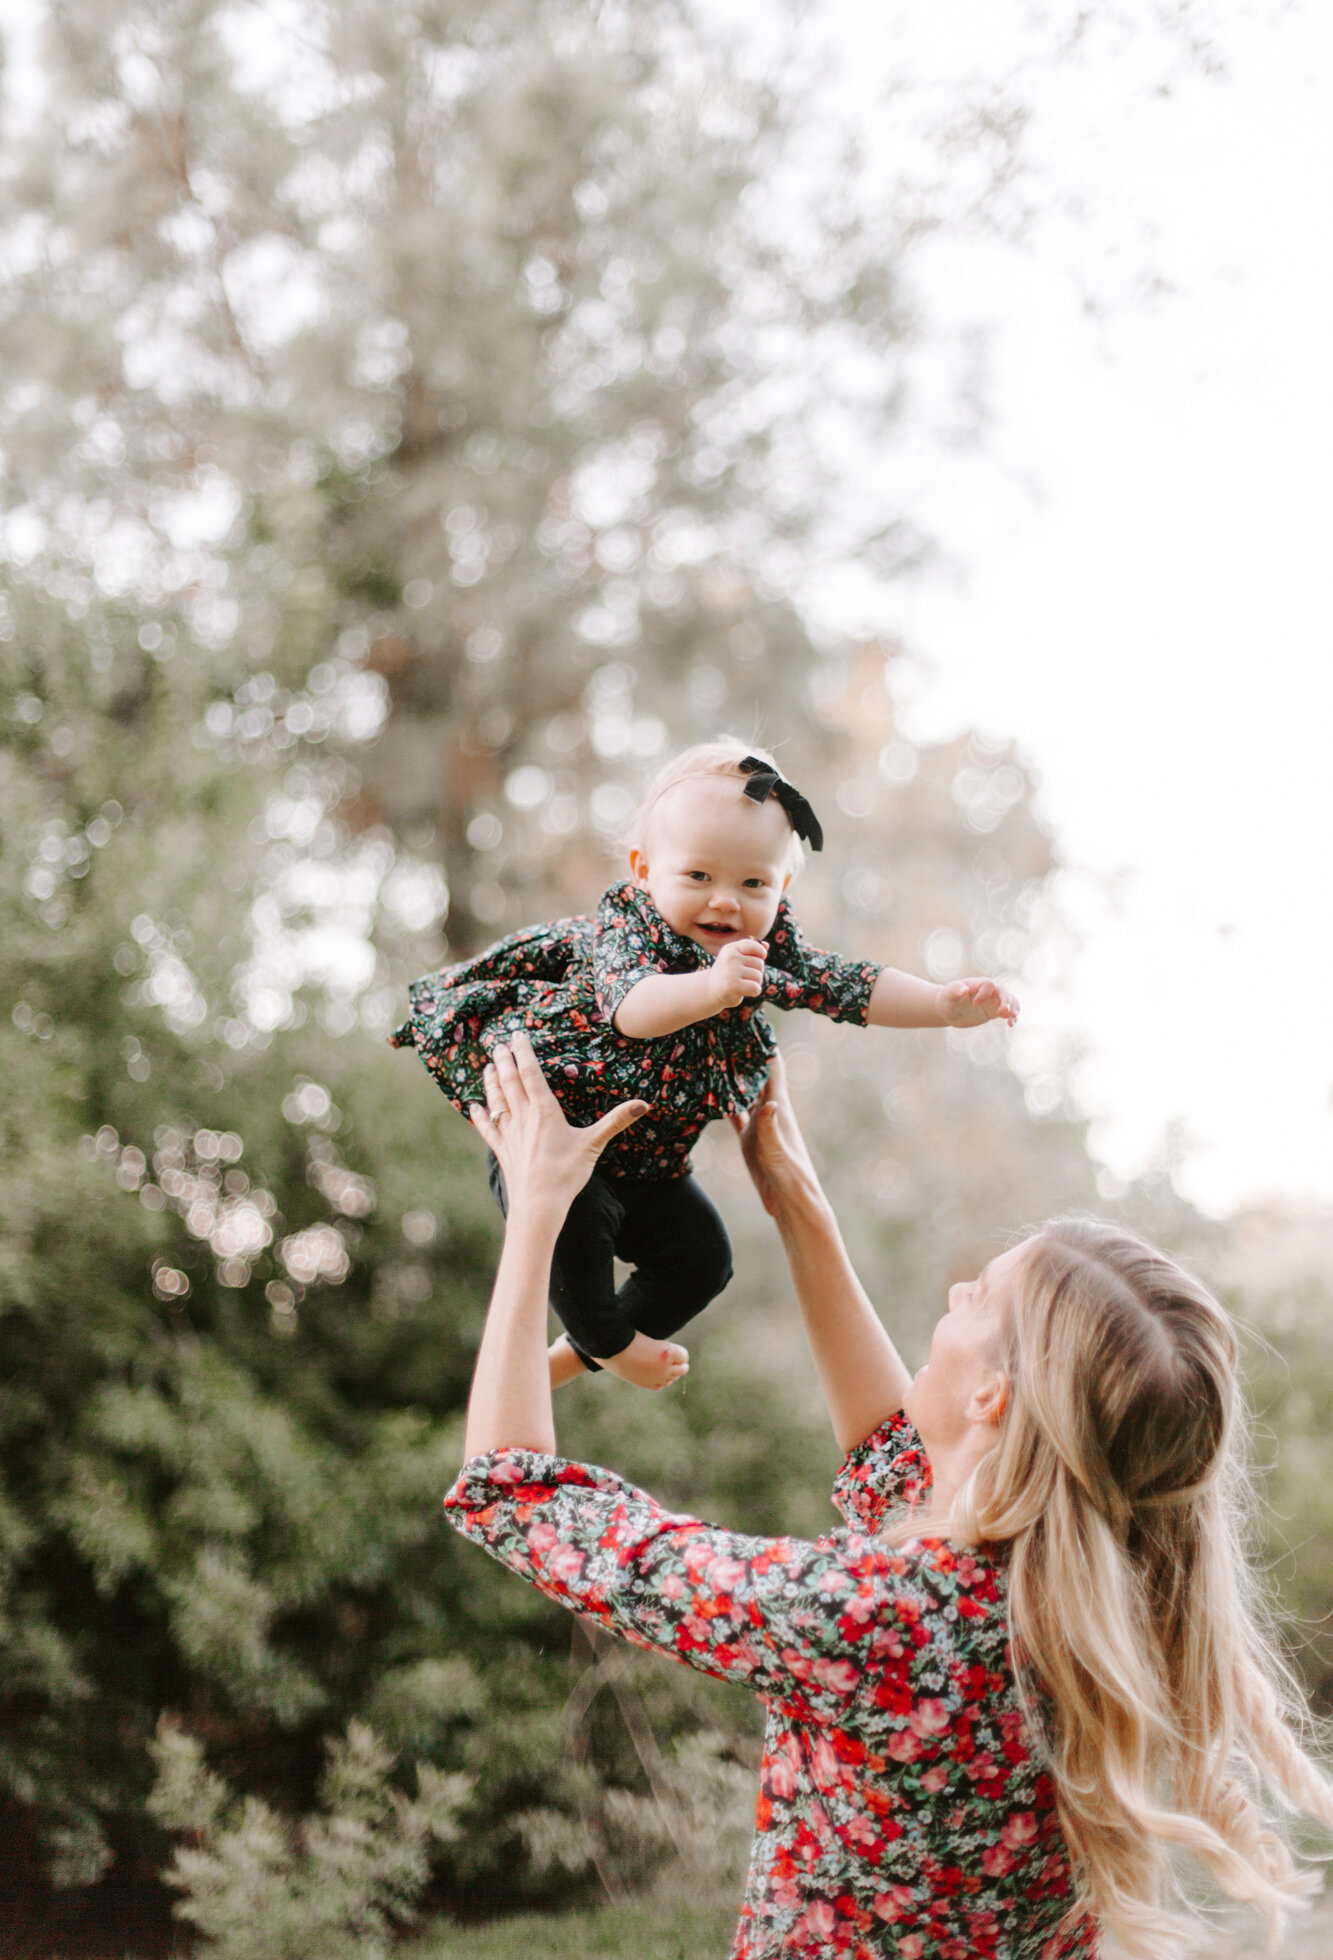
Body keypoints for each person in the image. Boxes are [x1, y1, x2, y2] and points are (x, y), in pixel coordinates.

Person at [443, 1034, 1333, 1960]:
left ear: (993, 1396)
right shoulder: (1105, 1586)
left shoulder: (879, 1614)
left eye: (977, 1296)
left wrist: (539, 1214)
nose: (953, 1288)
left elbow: (514, 1492)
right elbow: (900, 1463)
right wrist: (792, 1191)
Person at [393, 738, 1017, 1392]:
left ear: (783, 885)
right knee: (572, 1229)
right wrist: (714, 988)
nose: (724, 901)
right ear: (644, 868)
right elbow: (630, 1008)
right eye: (698, 877)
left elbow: (849, 986)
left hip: (653, 1161)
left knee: (703, 1260)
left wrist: (940, 1005)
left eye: (752, 883)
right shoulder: (626, 924)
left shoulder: (768, 944)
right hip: (564, 1136)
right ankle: (606, 1339)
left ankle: (576, 1356)